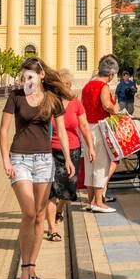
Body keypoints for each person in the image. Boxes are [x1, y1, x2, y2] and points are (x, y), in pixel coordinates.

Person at [0, 57, 74, 279]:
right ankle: (23, 268)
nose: (26, 78)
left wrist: (68, 158)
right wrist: (5, 160)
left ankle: (32, 266)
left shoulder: (52, 99)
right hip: (19, 158)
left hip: (44, 160)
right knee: (29, 212)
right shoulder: (16, 96)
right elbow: (3, 130)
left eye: (30, 74)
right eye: (24, 75)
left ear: (41, 75)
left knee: (40, 215)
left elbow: (61, 131)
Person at [45, 68, 94, 242]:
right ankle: (52, 229)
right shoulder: (49, 102)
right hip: (50, 150)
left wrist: (91, 147)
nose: (67, 88)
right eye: (64, 84)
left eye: (69, 85)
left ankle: (59, 209)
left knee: (68, 191)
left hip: (73, 149)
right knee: (51, 191)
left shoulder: (75, 102)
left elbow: (84, 126)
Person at [81, 54, 124, 213]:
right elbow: (106, 105)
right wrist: (117, 111)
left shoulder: (87, 86)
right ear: (111, 74)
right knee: (101, 165)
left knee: (89, 166)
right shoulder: (103, 86)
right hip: (100, 128)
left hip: (86, 129)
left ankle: (90, 201)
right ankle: (99, 202)